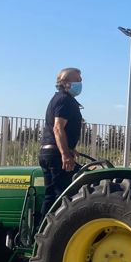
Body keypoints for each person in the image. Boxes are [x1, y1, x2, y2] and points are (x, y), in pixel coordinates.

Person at [39, 67, 84, 211]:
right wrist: (65, 154)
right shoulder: (65, 99)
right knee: (62, 197)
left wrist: (70, 148)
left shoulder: (58, 98)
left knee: (51, 197)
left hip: (49, 152)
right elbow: (58, 128)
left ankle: (44, 230)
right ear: (65, 82)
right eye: (77, 79)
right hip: (56, 155)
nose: (80, 82)